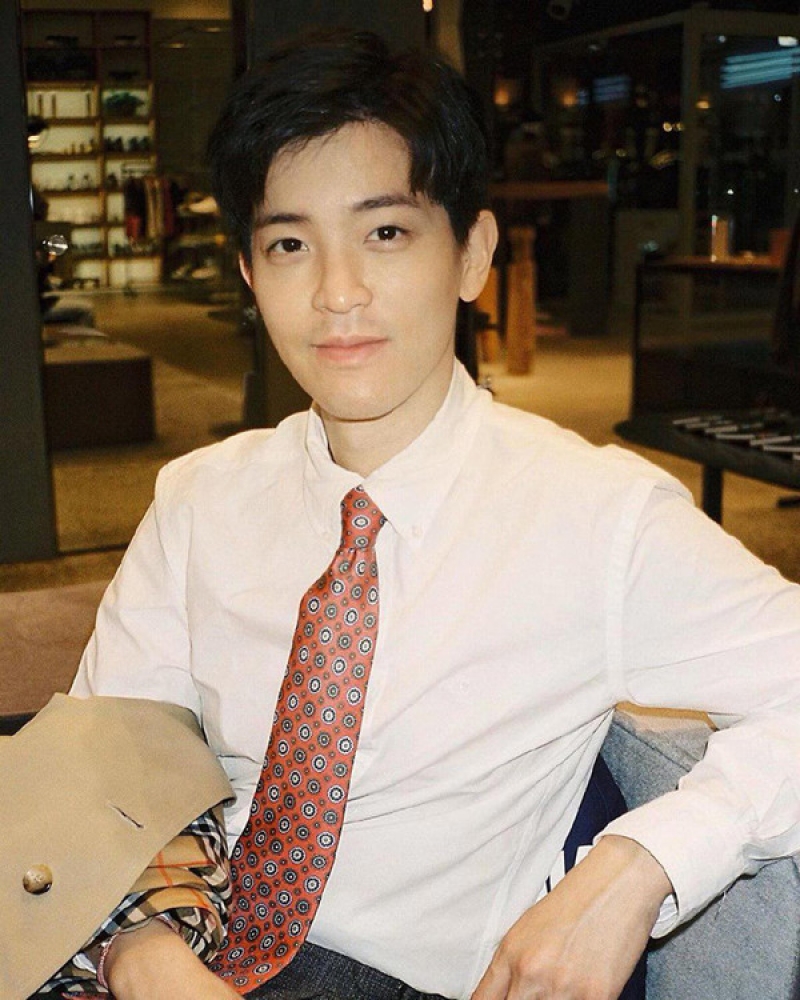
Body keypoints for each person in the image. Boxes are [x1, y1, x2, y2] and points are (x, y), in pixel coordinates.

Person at [38, 30, 800, 1000]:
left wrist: (640, 864)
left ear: (472, 253)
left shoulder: (598, 517)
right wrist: (144, 956)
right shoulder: (199, 498)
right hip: (181, 941)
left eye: (385, 233)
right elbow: (106, 751)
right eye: (289, 244)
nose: (337, 292)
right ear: (248, 276)